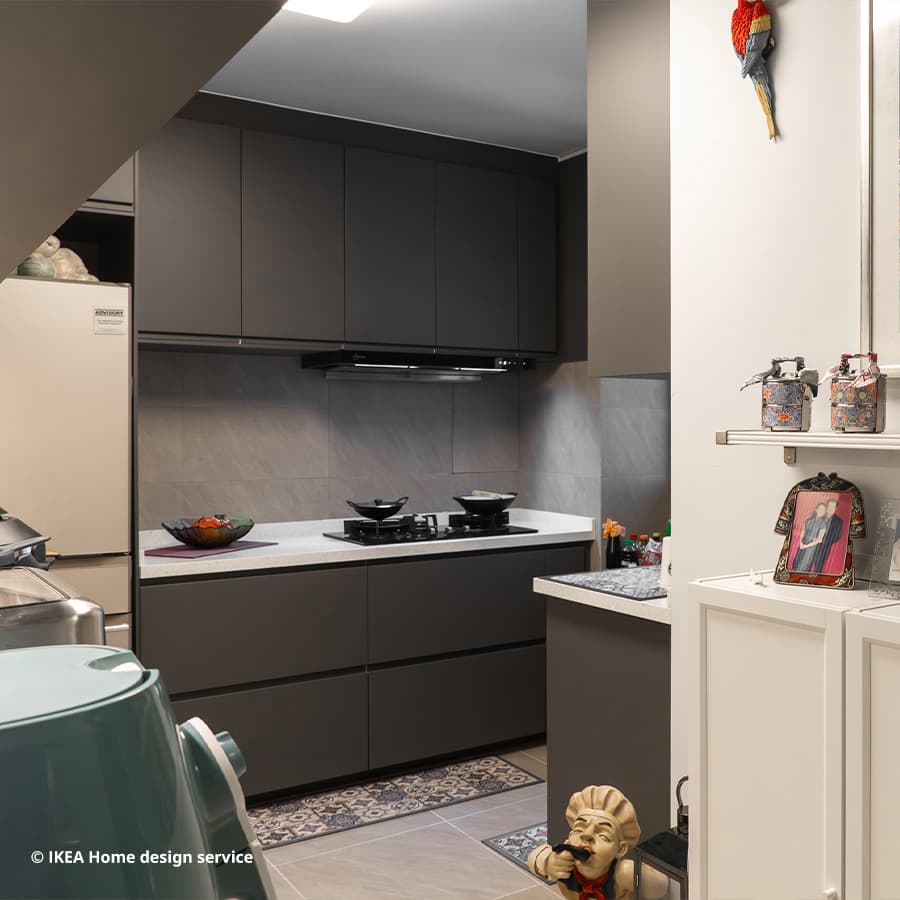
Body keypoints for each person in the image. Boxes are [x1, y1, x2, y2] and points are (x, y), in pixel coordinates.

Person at [528, 785, 668, 900]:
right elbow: (535, 857)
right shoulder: (566, 867)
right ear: (570, 838)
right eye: (579, 830)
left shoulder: (621, 876)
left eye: (603, 835)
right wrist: (547, 861)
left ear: (620, 849)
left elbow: (661, 888)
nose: (587, 835)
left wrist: (630, 872)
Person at [810, 498, 845, 574]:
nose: (831, 508)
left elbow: (837, 536)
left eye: (833, 507)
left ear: (836, 508)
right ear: (826, 506)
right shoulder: (820, 515)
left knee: (818, 567)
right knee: (806, 564)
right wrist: (813, 538)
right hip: (811, 545)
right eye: (829, 506)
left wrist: (824, 540)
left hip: (824, 547)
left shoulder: (839, 521)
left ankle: (815, 581)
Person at [792, 502, 827, 572]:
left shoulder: (823, 524)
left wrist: (806, 546)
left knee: (804, 564)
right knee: (796, 561)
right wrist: (801, 542)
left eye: (823, 510)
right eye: (820, 509)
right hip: (802, 544)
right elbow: (803, 532)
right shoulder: (808, 520)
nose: (821, 511)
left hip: (811, 548)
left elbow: (819, 539)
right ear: (816, 509)